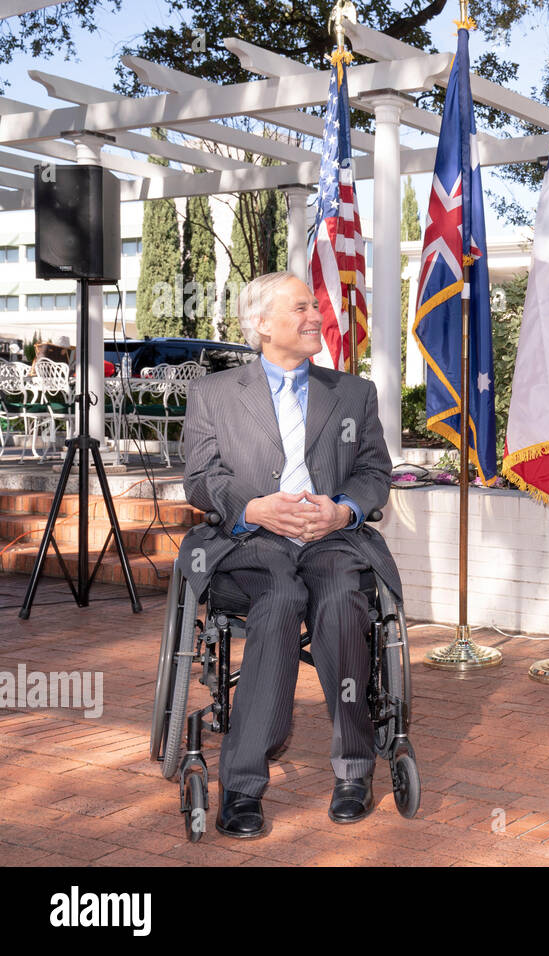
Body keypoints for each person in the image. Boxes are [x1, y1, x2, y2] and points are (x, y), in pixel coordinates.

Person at [179, 271, 400, 838]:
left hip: (331, 541)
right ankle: (243, 784)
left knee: (341, 603)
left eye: (314, 307)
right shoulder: (215, 394)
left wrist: (343, 509)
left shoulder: (352, 393)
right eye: (301, 307)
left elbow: (376, 470)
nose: (315, 316)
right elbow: (202, 480)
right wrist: (252, 509)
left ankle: (354, 770)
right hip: (251, 544)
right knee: (277, 602)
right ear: (262, 324)